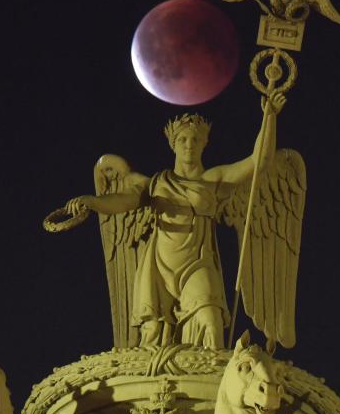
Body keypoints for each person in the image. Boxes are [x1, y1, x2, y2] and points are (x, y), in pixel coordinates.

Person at [66, 92, 285, 349]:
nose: (189, 145)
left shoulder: (214, 180)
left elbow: (260, 162)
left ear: (205, 143)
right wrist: (92, 202)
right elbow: (124, 201)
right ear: (173, 144)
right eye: (182, 139)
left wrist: (269, 117)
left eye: (195, 139)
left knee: (211, 322)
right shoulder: (156, 183)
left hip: (198, 263)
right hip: (158, 265)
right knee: (153, 338)